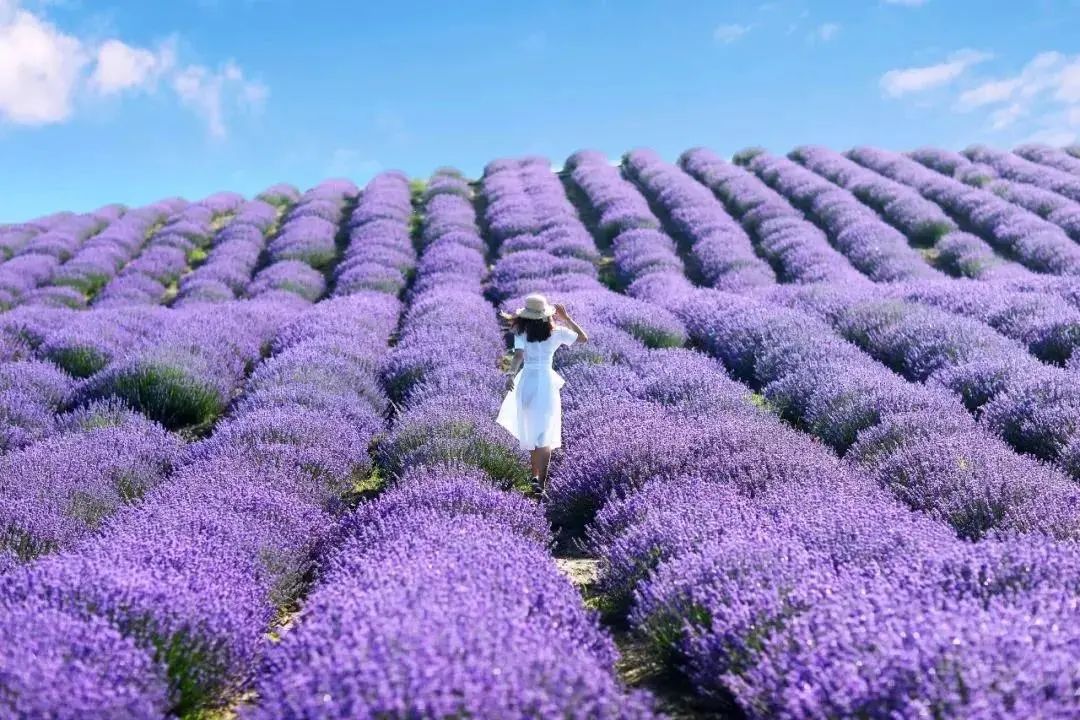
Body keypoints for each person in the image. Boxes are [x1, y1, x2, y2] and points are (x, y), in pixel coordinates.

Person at [496, 293, 588, 497]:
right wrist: (567, 318)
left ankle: (535, 477)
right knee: (545, 434)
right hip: (545, 384)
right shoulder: (557, 333)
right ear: (546, 316)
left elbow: (518, 355)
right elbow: (583, 338)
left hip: (526, 382)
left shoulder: (521, 332)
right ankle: (540, 483)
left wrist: (510, 374)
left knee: (531, 428)